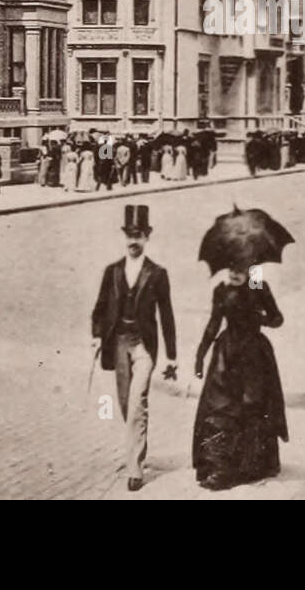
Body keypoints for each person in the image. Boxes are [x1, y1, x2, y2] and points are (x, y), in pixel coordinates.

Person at [90, 205, 178, 492]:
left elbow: (166, 316)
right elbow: (100, 308)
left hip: (143, 347)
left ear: (147, 237)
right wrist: (96, 335)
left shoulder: (157, 274)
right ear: (123, 236)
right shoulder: (112, 271)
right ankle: (137, 447)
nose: (133, 241)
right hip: (119, 344)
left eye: (138, 235)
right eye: (129, 235)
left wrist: (172, 356)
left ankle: (135, 468)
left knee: (138, 402)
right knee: (127, 404)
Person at [192, 267, 288, 491]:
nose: (234, 273)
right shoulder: (222, 291)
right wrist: (200, 354)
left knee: (252, 408)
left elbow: (277, 318)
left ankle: (252, 466)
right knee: (219, 408)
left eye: (240, 267)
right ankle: (220, 468)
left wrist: (261, 318)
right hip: (227, 355)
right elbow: (214, 323)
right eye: (231, 267)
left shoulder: (257, 285)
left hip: (254, 356)